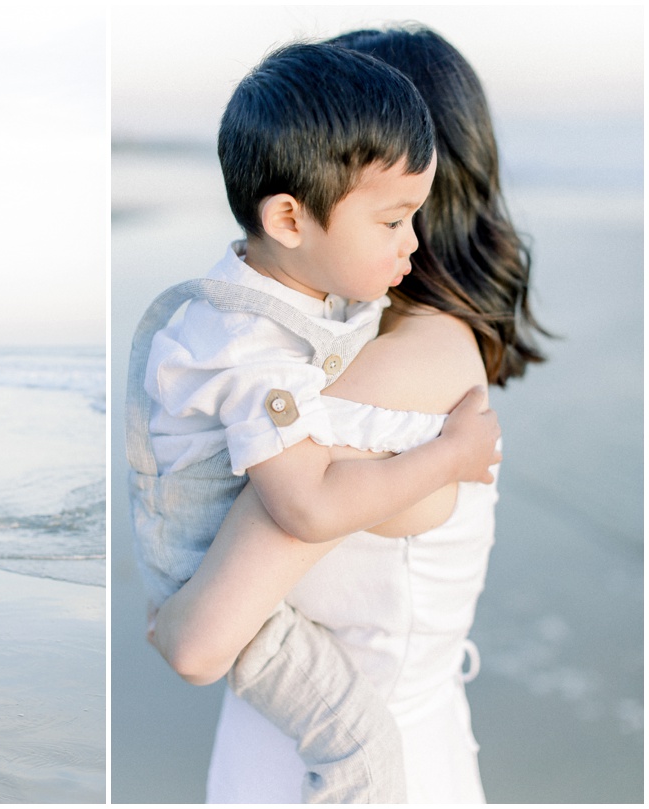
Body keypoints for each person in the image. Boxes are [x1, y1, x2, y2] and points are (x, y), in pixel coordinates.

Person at [151, 26, 548, 803]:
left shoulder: (382, 372)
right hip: (414, 737)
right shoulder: (419, 342)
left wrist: (169, 613)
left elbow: (198, 642)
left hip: (335, 764)